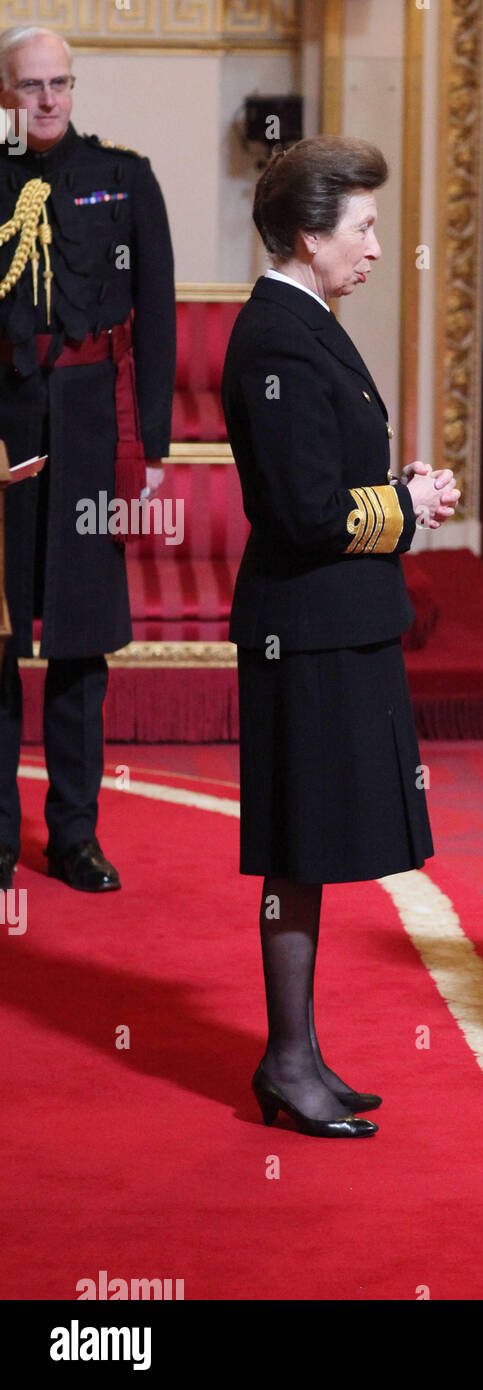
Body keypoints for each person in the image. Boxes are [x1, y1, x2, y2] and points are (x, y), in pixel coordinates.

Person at [223, 135, 459, 1139]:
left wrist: (395, 494)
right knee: (297, 847)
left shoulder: (305, 320)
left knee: (309, 848)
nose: (373, 244)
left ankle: (300, 1051)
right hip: (305, 632)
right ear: (309, 232)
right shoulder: (277, 336)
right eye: (361, 226)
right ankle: (285, 1060)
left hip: (332, 626)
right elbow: (307, 512)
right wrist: (405, 506)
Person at [0, 25, 175, 891]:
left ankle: (73, 835)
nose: (47, 99)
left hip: (90, 425)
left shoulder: (124, 177)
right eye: (30, 85)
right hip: (3, 423)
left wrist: (151, 445)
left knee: (79, 645)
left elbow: (157, 314)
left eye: (60, 83)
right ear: (5, 94)